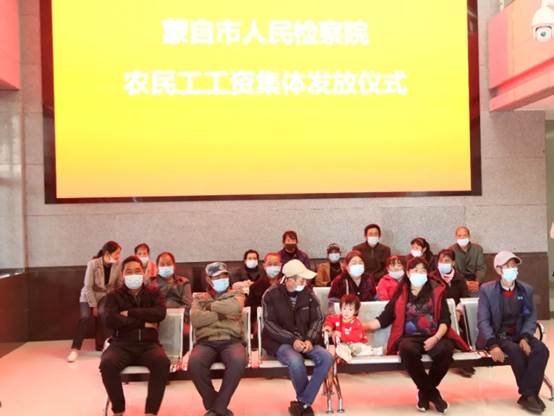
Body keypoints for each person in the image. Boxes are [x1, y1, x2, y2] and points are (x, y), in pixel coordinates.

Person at [364, 257, 469, 413]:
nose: (420, 273)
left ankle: (424, 393)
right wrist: (361, 327)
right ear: (408, 273)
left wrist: (436, 338)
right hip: (410, 338)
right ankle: (433, 394)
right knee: (406, 350)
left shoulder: (437, 291)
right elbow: (383, 319)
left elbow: (445, 320)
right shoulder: (401, 294)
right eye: (416, 270)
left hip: (435, 335)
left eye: (423, 270)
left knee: (446, 350)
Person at [477, 251, 550, 414]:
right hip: (498, 335)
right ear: (498, 269)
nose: (513, 269)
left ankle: (528, 394)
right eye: (508, 266)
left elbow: (530, 317)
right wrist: (493, 344)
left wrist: (525, 337)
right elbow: (483, 321)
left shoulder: (526, 290)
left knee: (541, 350)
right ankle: (530, 395)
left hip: (519, 333)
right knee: (515, 351)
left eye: (514, 266)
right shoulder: (487, 290)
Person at [99, 255, 170, 416]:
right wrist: (143, 323)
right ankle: (118, 409)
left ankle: (151, 412)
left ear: (143, 272)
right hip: (121, 344)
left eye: (137, 271)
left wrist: (130, 313)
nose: (133, 275)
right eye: (129, 272)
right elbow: (110, 320)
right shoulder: (114, 295)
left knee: (162, 363)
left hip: (149, 345)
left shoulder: (154, 292)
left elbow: (159, 314)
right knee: (107, 364)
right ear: (122, 274)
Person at [262, 260, 333, 416]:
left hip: (307, 340)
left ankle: (303, 403)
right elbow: (269, 323)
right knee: (295, 360)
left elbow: (318, 319)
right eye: (302, 279)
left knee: (326, 358)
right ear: (289, 279)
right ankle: (305, 405)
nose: (305, 282)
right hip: (280, 342)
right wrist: (292, 340)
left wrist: (309, 339)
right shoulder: (271, 295)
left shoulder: (309, 293)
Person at [189, 262, 248, 416]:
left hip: (231, 340)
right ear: (208, 279)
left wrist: (208, 306)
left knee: (238, 360)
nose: (222, 279)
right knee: (194, 363)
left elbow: (235, 308)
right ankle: (218, 407)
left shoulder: (236, 294)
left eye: (224, 276)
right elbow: (196, 319)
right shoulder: (200, 298)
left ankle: (216, 409)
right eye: (217, 277)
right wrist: (223, 315)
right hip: (206, 341)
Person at [67, 241, 122, 362]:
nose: (119, 256)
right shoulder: (92, 264)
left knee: (104, 314)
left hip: (105, 296)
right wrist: (93, 306)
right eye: (117, 253)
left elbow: (119, 284)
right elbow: (88, 286)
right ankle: (75, 349)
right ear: (107, 253)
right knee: (85, 317)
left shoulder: (118, 265)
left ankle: (107, 346)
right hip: (88, 295)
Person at [430, 249, 474, 378]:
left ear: (453, 262)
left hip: (456, 312)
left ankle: (466, 361)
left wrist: (459, 310)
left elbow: (465, 297)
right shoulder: (432, 277)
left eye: (447, 261)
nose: (443, 263)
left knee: (465, 325)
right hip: (438, 313)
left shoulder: (459, 278)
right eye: (441, 260)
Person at [148, 251, 192, 349]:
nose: (166, 267)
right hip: (158, 320)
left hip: (180, 320)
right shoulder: (151, 285)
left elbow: (188, 305)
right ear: (157, 267)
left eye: (168, 264)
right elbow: (149, 307)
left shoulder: (184, 282)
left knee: (186, 333)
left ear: (174, 265)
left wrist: (175, 316)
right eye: (162, 264)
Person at [230, 249, 271, 349]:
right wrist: (247, 284)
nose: (252, 260)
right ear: (245, 260)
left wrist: (250, 285)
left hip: (259, 300)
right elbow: (234, 286)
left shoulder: (264, 272)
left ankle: (258, 337)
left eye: (254, 258)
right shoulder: (237, 272)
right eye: (250, 258)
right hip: (243, 301)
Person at [323, 294, 374, 363]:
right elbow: (329, 320)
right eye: (344, 308)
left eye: (350, 309)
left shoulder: (356, 322)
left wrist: (341, 334)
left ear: (355, 311)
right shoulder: (337, 318)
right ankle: (341, 356)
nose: (346, 312)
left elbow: (356, 336)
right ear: (341, 308)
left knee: (358, 347)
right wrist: (328, 327)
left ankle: (345, 357)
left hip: (354, 343)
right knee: (338, 348)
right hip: (342, 345)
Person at [449, 226, 486, 296]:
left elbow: (481, 268)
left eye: (464, 235)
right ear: (456, 237)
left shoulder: (478, 249)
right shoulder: (451, 250)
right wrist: (465, 282)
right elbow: (453, 270)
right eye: (459, 236)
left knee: (481, 295)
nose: (462, 238)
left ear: (469, 236)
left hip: (475, 281)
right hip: (459, 281)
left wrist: (477, 282)